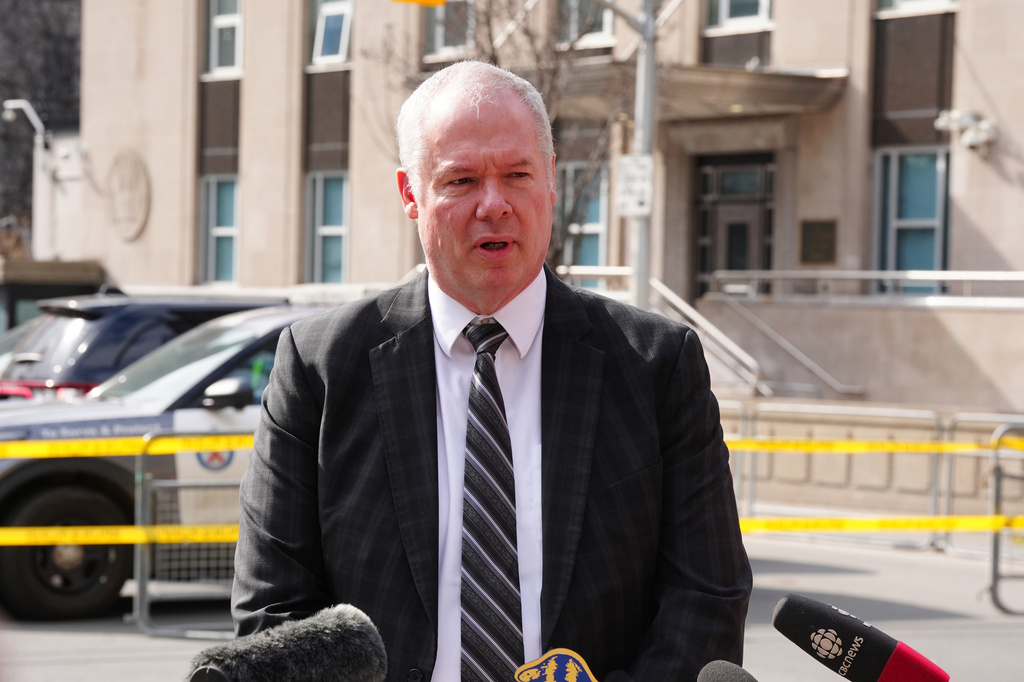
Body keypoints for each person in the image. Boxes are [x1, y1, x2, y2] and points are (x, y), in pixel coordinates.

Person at [232, 60, 752, 681]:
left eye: (517, 174)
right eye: (461, 180)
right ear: (409, 193)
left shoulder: (655, 366)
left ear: (551, 181)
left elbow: (706, 598)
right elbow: (274, 615)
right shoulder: (320, 368)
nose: (495, 204)